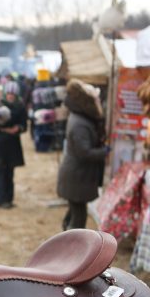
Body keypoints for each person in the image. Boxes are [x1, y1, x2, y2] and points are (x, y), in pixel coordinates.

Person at [58, 79, 108, 230]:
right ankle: (73, 247)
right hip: (77, 176)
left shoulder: (80, 119)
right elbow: (84, 152)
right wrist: (104, 152)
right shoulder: (80, 123)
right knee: (78, 216)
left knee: (75, 211)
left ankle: (66, 238)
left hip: (78, 176)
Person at [0, 81, 27, 209]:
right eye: (9, 94)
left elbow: (24, 125)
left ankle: (9, 199)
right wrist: (0, 126)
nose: (10, 96)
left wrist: (17, 128)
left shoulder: (20, 106)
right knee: (0, 171)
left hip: (13, 144)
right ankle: (0, 200)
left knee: (10, 172)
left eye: (13, 94)